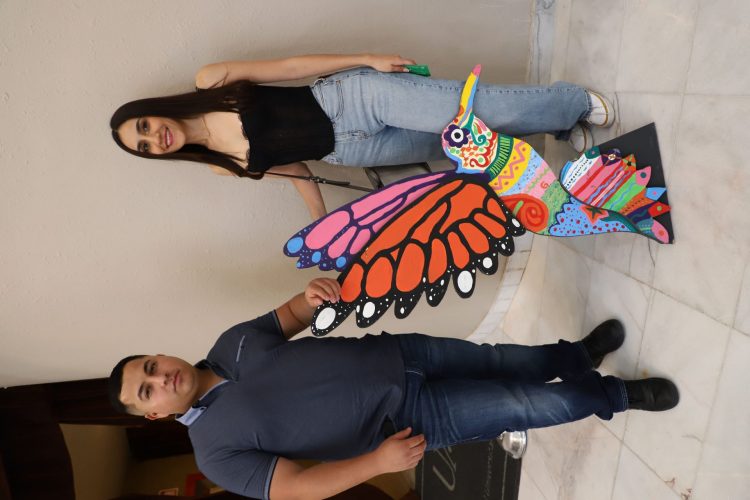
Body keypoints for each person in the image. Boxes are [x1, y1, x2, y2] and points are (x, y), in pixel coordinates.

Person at [109, 278, 678, 500]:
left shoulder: (229, 342)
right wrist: (378, 463)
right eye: (148, 391)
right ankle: (614, 396)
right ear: (153, 416)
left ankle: (576, 356)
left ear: (161, 353)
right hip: (408, 422)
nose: (160, 378)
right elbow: (299, 487)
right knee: (523, 403)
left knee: (505, 359)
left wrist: (308, 298)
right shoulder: (213, 455)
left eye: (151, 366)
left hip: (402, 353)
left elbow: (287, 317)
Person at [110, 53, 614, 219]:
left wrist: (365, 59)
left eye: (144, 127)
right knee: (465, 143)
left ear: (152, 111)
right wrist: (319, 220)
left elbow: (291, 68)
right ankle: (558, 122)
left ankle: (571, 101)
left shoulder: (210, 82)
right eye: (145, 147)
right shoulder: (222, 165)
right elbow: (296, 171)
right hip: (351, 149)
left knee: (475, 111)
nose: (156, 139)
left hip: (350, 99)